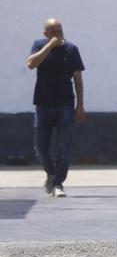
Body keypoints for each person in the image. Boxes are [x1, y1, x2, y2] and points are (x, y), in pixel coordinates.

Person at [25, 18, 86, 198]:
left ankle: (58, 183)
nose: (58, 34)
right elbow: (31, 64)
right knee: (40, 146)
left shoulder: (71, 49)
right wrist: (49, 46)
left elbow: (78, 79)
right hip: (43, 104)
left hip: (65, 104)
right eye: (53, 31)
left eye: (59, 30)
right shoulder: (39, 45)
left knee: (63, 146)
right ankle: (51, 174)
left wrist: (80, 105)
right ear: (45, 34)